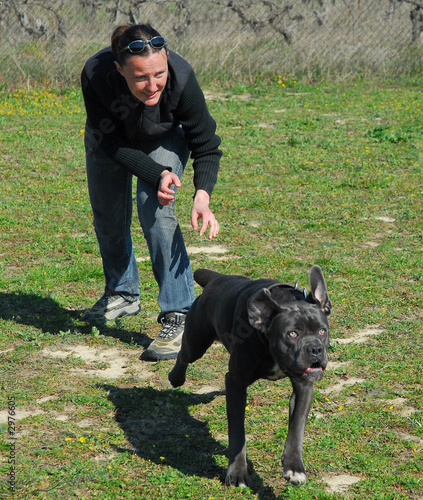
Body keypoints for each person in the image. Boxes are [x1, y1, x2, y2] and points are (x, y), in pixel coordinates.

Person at [80, 24, 222, 361]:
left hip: (163, 137)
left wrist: (201, 195)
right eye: (141, 78)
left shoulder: (182, 79)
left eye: (159, 73)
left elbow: (206, 144)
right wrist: (154, 172)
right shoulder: (96, 74)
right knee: (108, 215)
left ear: (168, 61)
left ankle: (180, 313)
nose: (153, 84)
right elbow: (111, 144)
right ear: (119, 70)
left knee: (155, 206)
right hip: (110, 140)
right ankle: (122, 292)